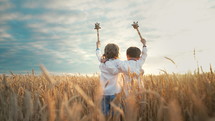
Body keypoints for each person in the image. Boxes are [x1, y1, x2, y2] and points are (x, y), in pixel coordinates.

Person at [96, 41, 122, 115]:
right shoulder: (118, 62)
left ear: (105, 52)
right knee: (115, 114)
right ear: (117, 52)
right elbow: (116, 71)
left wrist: (98, 47)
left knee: (104, 114)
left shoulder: (102, 61)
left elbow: (98, 55)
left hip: (103, 93)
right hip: (115, 92)